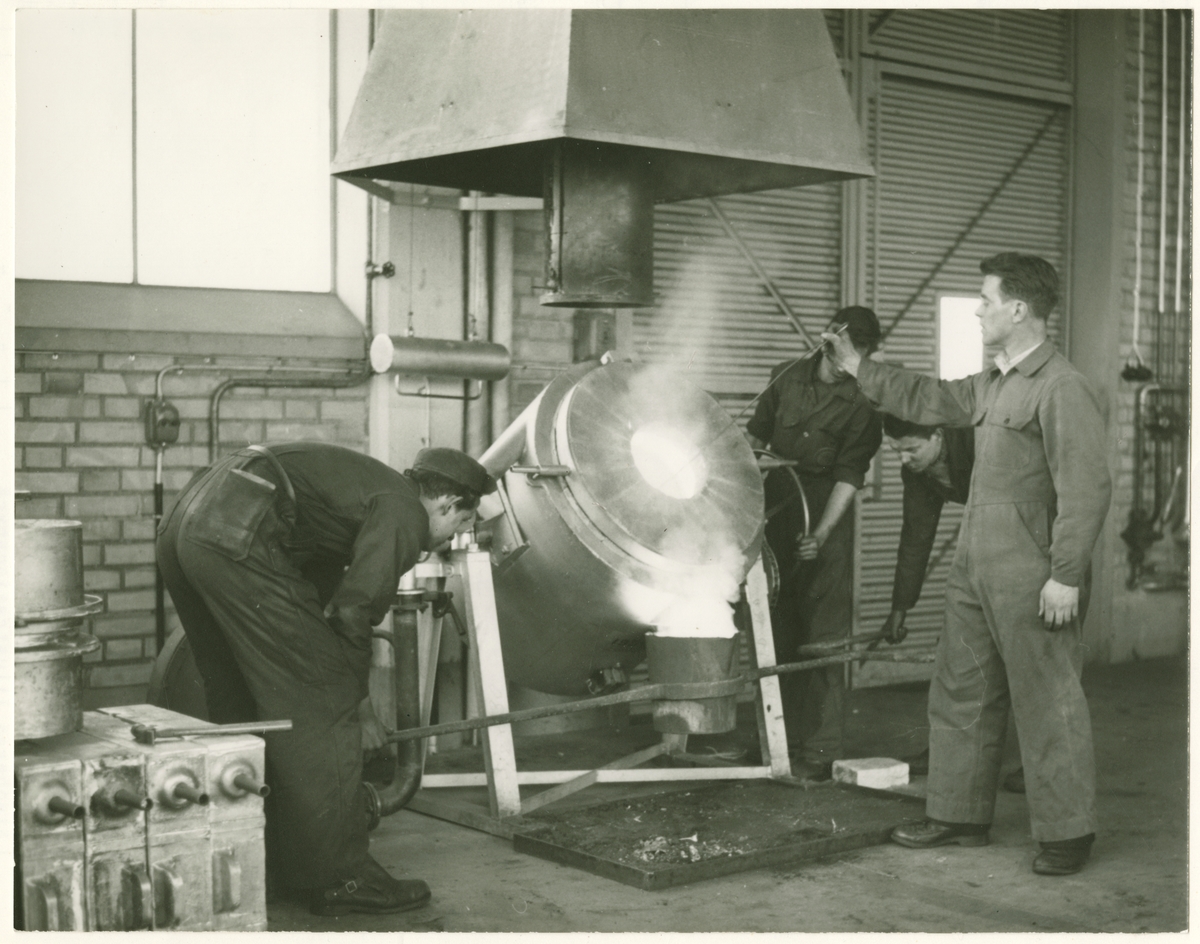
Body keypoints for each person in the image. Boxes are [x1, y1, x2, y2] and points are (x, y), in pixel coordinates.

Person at [821, 252, 1111, 876]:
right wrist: (858, 368)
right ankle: (958, 813)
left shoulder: (1061, 387)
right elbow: (928, 396)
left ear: (1018, 309)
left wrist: (1064, 573)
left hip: (1031, 569)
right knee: (960, 690)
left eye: (985, 299)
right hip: (975, 559)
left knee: (1046, 696)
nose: (979, 309)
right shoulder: (992, 383)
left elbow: (1086, 488)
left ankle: (1067, 831)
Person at [156, 442, 493, 914]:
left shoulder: (359, 492)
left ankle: (262, 861)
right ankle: (341, 878)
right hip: (237, 530)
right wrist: (357, 706)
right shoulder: (403, 510)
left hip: (188, 522)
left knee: (240, 696)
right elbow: (354, 614)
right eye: (459, 524)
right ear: (447, 504)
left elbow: (319, 597)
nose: (445, 539)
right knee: (322, 699)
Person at [746, 306, 883, 782]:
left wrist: (821, 535)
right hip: (774, 504)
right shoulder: (784, 376)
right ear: (829, 342)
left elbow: (849, 476)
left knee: (824, 636)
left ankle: (821, 748)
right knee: (772, 627)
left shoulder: (865, 403)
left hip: (824, 510)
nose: (850, 363)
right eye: (845, 352)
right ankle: (776, 739)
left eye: (860, 356)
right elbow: (754, 437)